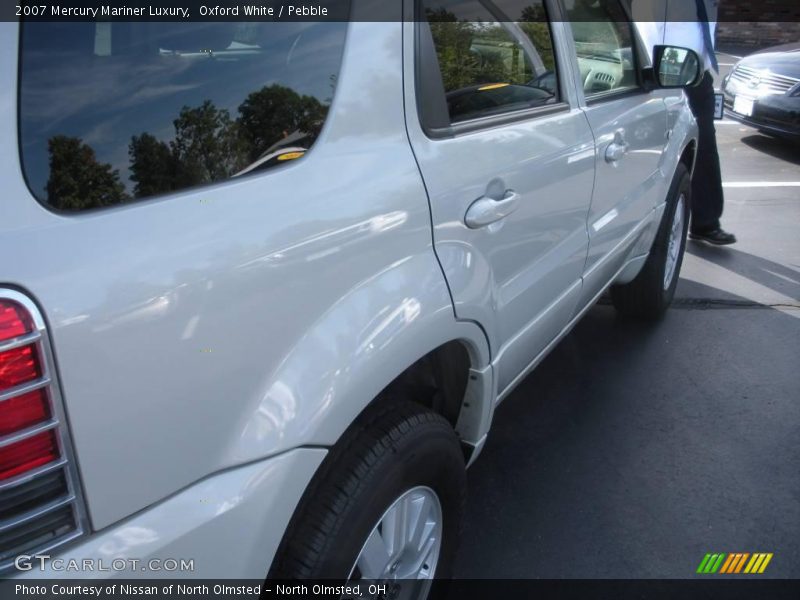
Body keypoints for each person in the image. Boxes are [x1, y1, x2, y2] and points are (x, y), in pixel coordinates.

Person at [633, 0, 737, 245]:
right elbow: (646, 29)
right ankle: (646, 224)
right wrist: (653, 75)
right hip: (667, 73)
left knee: (705, 148)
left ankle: (705, 222)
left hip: (698, 76)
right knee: (659, 150)